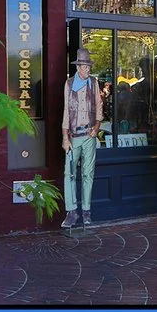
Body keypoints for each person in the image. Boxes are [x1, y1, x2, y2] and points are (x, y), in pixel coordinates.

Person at [62, 51, 106, 228]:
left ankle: (86, 211)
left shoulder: (93, 83)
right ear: (78, 67)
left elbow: (99, 105)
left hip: (88, 135)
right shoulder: (69, 84)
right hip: (73, 136)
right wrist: (65, 137)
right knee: (69, 173)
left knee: (88, 173)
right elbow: (66, 110)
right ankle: (72, 212)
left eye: (89, 66)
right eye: (85, 66)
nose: (88, 69)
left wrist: (97, 127)